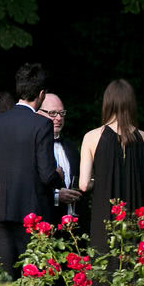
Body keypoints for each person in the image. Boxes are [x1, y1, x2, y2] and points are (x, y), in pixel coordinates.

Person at [0, 63, 61, 275]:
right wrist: (59, 177)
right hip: (31, 212)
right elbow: (46, 174)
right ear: (42, 94)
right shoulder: (41, 125)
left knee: (4, 274)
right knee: (31, 274)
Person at [80, 79, 144, 253]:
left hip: (105, 217)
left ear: (107, 103)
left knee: (104, 265)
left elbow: (83, 185)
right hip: (138, 217)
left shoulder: (91, 137)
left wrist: (99, 179)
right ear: (131, 103)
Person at [40, 93, 85, 228]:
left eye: (61, 113)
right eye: (53, 113)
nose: (58, 118)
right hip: (45, 222)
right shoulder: (33, 148)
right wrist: (56, 196)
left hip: (73, 223)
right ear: (39, 114)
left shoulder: (72, 148)